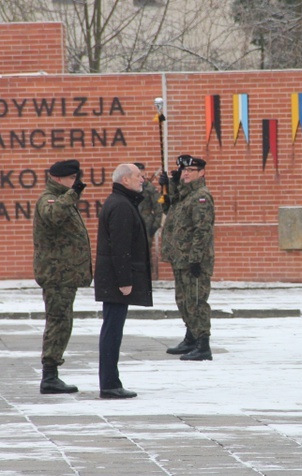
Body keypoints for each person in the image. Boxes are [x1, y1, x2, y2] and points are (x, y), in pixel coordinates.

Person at [33, 159, 91, 394]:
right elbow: (53, 216)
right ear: (58, 178)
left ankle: (52, 374)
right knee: (58, 322)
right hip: (57, 275)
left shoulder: (63, 198)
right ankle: (49, 376)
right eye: (71, 179)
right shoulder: (50, 198)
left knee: (62, 322)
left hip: (65, 275)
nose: (75, 183)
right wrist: (71, 195)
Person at [94, 164, 153, 399]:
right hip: (116, 280)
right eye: (138, 176)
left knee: (112, 329)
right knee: (112, 331)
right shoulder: (120, 205)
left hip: (114, 279)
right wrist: (124, 280)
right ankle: (109, 384)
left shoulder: (122, 202)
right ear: (126, 180)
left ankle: (111, 381)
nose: (143, 180)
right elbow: (120, 246)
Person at [161, 155, 216, 361]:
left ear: (201, 172)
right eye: (183, 171)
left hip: (194, 260)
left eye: (190, 171)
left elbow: (202, 231)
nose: (185, 174)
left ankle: (203, 344)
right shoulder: (185, 196)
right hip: (180, 257)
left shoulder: (201, 197)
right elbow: (171, 213)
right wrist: (170, 188)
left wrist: (195, 259)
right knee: (183, 300)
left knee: (196, 301)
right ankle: (191, 337)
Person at [134, 162, 163, 255]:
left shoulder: (149, 188)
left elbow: (159, 208)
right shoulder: (129, 188)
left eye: (142, 175)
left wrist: (154, 226)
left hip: (146, 224)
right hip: (132, 224)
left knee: (145, 255)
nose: (141, 179)